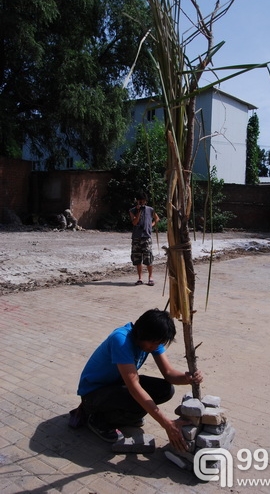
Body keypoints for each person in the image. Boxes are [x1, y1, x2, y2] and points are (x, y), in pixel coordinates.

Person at [77, 309, 203, 451]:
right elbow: (134, 388)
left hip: (117, 384)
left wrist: (188, 378)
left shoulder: (152, 340)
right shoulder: (121, 340)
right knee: (137, 397)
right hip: (93, 394)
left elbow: (168, 373)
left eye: (158, 344)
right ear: (141, 333)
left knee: (165, 390)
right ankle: (96, 418)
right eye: (153, 344)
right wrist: (167, 424)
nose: (155, 347)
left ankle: (123, 416)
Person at [129, 191, 159, 286]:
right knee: (137, 258)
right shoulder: (132, 210)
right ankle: (140, 278)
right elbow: (134, 222)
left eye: (143, 201)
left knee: (148, 257)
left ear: (145, 201)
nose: (141, 202)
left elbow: (157, 218)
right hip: (136, 237)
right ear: (137, 201)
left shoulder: (150, 210)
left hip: (146, 237)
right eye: (139, 201)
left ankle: (150, 277)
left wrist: (151, 225)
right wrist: (138, 212)